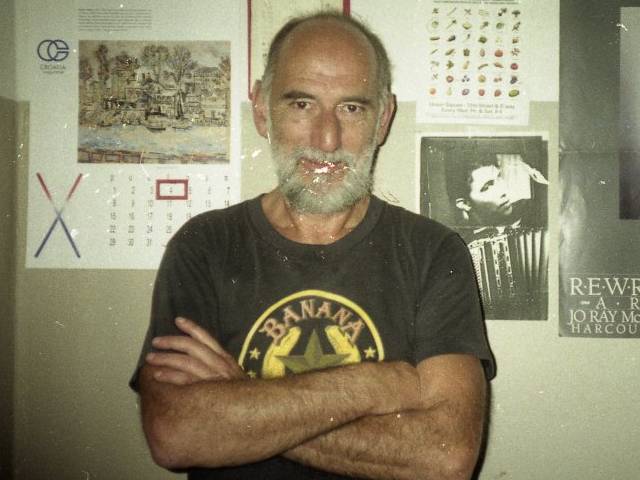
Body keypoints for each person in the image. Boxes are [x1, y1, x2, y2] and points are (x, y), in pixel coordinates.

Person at [130, 11, 495, 480]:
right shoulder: (204, 245)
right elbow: (176, 433)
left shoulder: (434, 252)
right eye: (302, 104)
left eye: (352, 108)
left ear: (383, 119)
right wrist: (375, 385)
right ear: (262, 109)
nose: (326, 139)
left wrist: (243, 398)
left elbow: (445, 459)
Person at [446, 152, 548, 229]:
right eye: (486, 187)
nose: (502, 191)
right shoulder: (461, 242)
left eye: (499, 177)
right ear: (465, 204)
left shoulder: (535, 210)